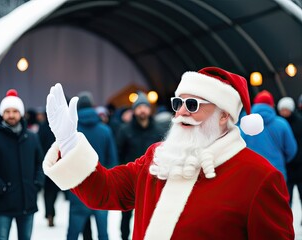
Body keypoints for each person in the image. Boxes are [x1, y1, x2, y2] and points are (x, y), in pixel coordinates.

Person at [43, 67, 294, 239]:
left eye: (193, 105)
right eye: (178, 103)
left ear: (224, 115)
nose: (182, 112)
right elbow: (107, 190)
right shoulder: (157, 157)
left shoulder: (259, 177)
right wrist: (68, 143)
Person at [0, 89, 44, 240]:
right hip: (3, 203)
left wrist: (37, 183)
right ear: (2, 113)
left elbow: (40, 163)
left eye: (15, 111)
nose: (11, 115)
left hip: (27, 202)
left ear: (21, 113)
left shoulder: (32, 137)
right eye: (7, 111)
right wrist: (0, 186)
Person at [65, 91, 118, 240]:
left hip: (79, 189)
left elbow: (64, 161)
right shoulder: (105, 130)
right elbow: (112, 161)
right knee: (103, 233)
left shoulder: (72, 133)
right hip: (101, 189)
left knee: (73, 233)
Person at [115, 91, 165, 240]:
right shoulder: (125, 130)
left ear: (150, 110)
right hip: (131, 180)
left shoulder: (159, 131)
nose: (142, 110)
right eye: (139, 107)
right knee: (126, 215)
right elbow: (119, 154)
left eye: (145, 107)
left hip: (152, 180)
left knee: (151, 214)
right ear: (134, 110)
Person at [241, 90, 297, 180]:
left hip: (252, 173)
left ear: (255, 105)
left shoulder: (244, 124)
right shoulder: (282, 123)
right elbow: (291, 149)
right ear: (271, 105)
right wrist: (281, 160)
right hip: (277, 172)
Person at [37, 114, 63, 227]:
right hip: (58, 164)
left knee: (48, 192)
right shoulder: (61, 126)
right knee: (53, 191)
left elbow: (38, 145)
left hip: (47, 163)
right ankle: (50, 213)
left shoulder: (43, 126)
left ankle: (49, 213)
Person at [277, 97, 302, 205]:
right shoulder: (278, 124)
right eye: (282, 110)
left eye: (286, 109)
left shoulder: (299, 122)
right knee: (287, 198)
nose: (284, 112)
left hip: (299, 164)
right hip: (286, 166)